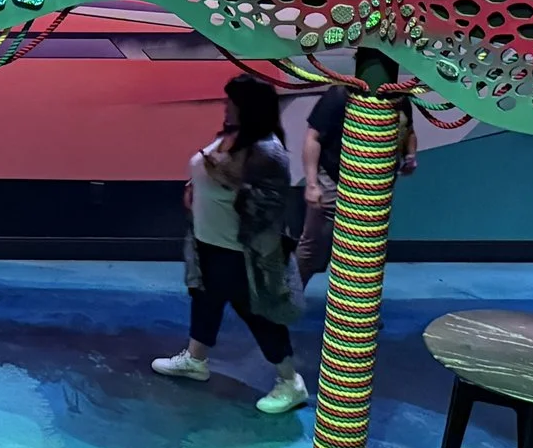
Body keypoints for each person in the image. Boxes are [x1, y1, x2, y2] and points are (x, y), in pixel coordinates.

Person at [151, 76, 308, 415]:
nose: (225, 106)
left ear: (247, 107)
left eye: (231, 101)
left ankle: (290, 381)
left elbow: (267, 206)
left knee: (257, 313)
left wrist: (219, 180)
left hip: (240, 252)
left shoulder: (268, 151)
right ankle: (196, 359)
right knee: (206, 299)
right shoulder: (233, 137)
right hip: (209, 241)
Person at [296, 82, 417, 285]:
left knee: (363, 248)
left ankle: (355, 304)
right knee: (314, 247)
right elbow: (313, 138)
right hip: (334, 178)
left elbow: (409, 130)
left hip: (374, 188)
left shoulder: (399, 98)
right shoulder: (340, 96)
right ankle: (287, 301)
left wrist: (410, 155)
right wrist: (312, 184)